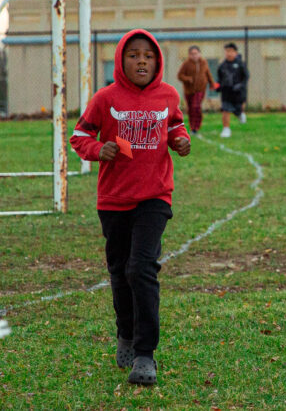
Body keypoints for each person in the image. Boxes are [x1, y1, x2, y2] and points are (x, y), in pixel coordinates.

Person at [70, 29, 191, 386]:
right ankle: (125, 332)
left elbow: (175, 124)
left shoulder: (168, 95)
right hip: (113, 200)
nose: (142, 61)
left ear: (158, 61)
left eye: (148, 56)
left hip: (155, 195)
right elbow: (80, 136)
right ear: (121, 60)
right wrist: (98, 149)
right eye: (134, 55)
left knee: (141, 268)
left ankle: (145, 354)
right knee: (121, 271)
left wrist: (179, 141)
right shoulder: (105, 98)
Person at [177, 45, 217, 134]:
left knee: (196, 107)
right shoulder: (186, 64)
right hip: (189, 90)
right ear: (189, 55)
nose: (194, 56)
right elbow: (180, 76)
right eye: (192, 54)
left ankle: (196, 127)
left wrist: (212, 83)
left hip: (200, 89)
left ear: (199, 54)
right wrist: (188, 79)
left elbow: (208, 73)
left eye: (196, 53)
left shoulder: (204, 62)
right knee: (191, 109)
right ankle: (192, 127)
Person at [216, 42, 249, 138]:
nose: (228, 53)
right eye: (227, 51)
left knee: (237, 109)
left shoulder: (240, 64)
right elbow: (219, 79)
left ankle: (240, 114)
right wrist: (218, 86)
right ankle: (226, 129)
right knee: (226, 109)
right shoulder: (222, 66)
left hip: (238, 92)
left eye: (230, 51)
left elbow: (246, 76)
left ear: (235, 52)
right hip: (226, 92)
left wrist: (241, 85)